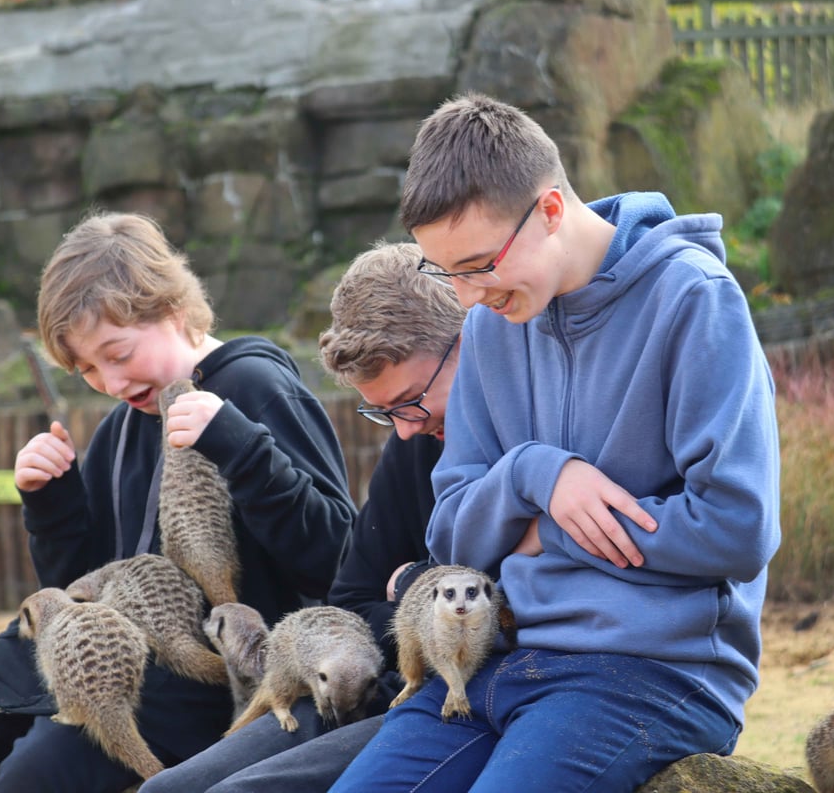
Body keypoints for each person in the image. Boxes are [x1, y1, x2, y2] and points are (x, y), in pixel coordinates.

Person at [330, 92, 782, 793]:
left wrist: (551, 533)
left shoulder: (693, 299)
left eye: (478, 264)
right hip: (491, 656)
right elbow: (450, 533)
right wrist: (534, 477)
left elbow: (736, 527)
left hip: (651, 669)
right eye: (446, 273)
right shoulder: (488, 326)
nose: (468, 295)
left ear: (548, 210)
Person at [0, 211, 357, 792]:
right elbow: (77, 581)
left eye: (117, 355)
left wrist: (242, 450)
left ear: (171, 309)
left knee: (30, 779)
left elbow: (335, 562)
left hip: (200, 670)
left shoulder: (253, 386)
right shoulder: (124, 424)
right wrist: (52, 503)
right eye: (86, 369)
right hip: (90, 650)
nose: (111, 383)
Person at [139, 240, 471, 793]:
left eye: (411, 401)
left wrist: (410, 584)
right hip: (366, 684)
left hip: (451, 701)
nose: (406, 428)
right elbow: (352, 601)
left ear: (467, 343)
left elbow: (489, 616)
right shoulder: (412, 442)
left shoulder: (522, 426)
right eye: (384, 413)